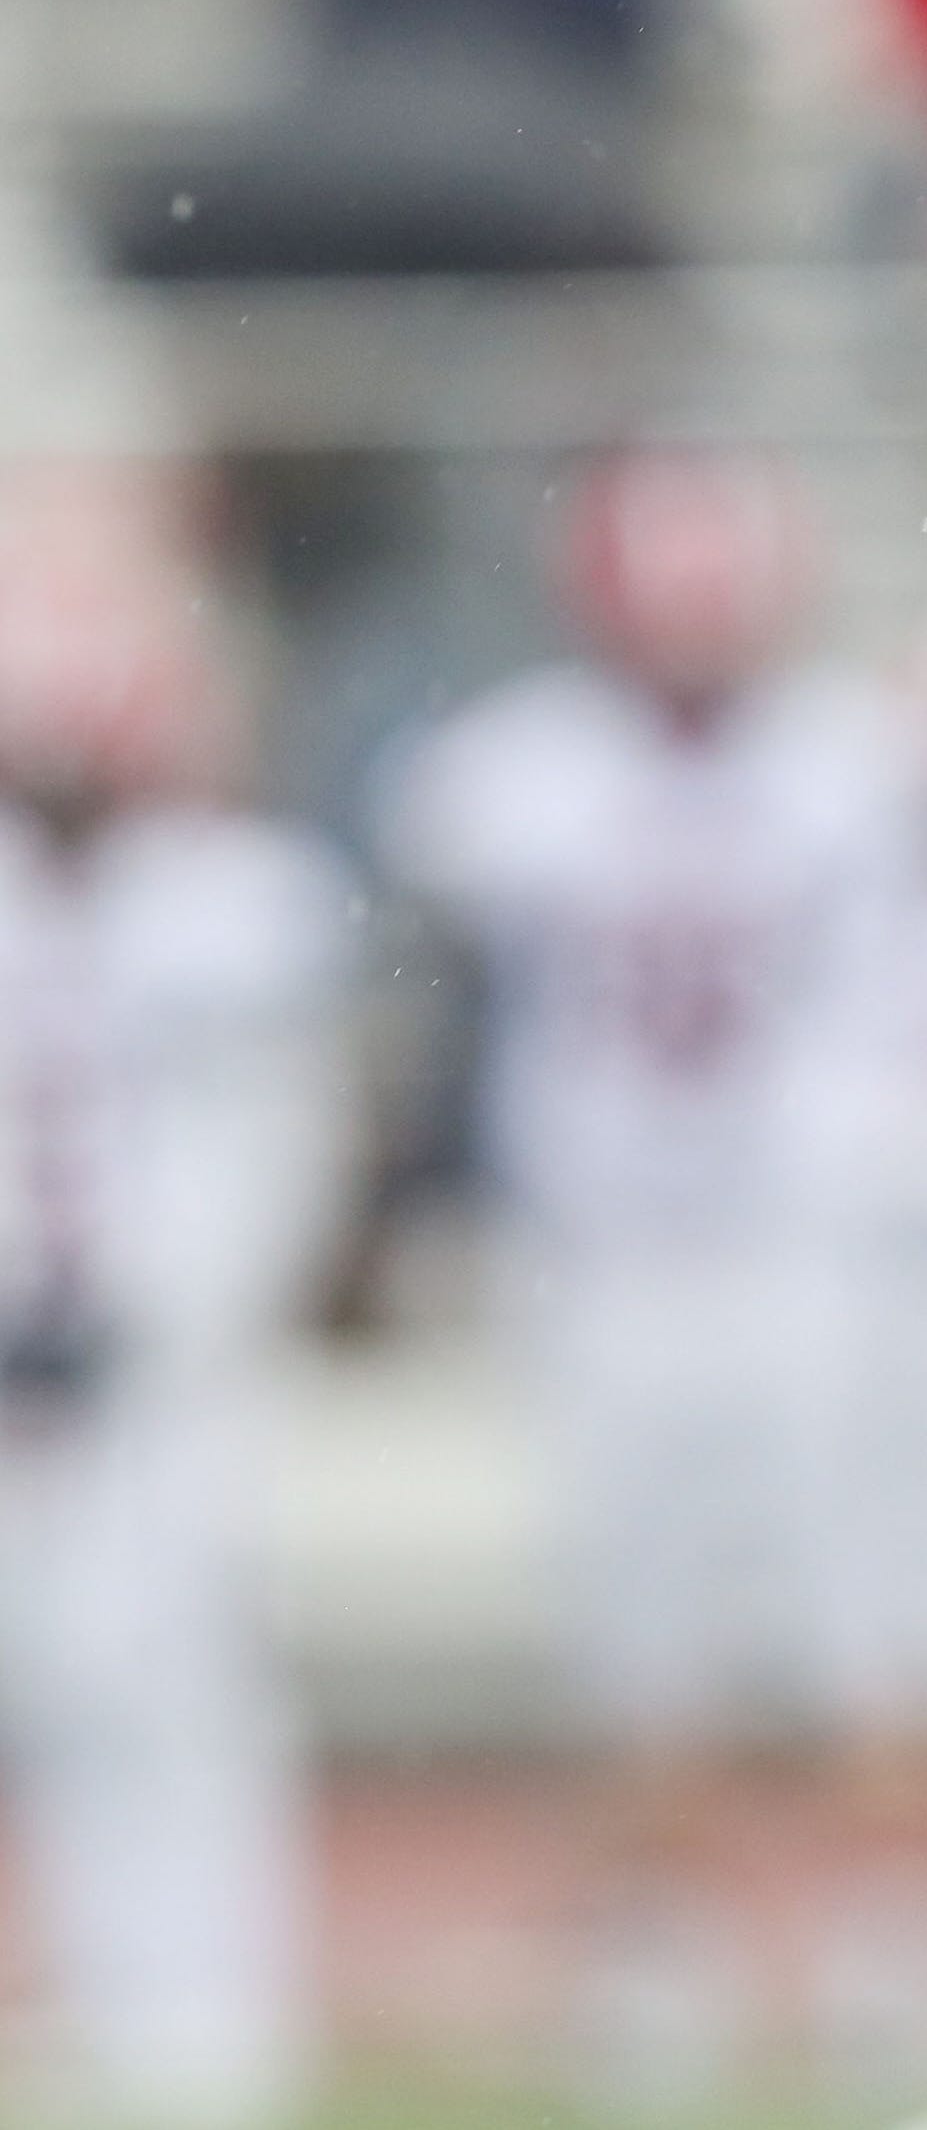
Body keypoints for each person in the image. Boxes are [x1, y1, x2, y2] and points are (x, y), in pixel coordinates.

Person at [373, 443, 927, 2105]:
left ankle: (882, 1954)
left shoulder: (859, 759)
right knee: (637, 1629)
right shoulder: (516, 771)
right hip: (609, 1257)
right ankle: (659, 1964)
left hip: (805, 1246)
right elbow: (445, 1000)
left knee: (863, 1618)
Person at [0, 475, 350, 2129]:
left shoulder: (230, 898)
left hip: (160, 1379)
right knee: (57, 1689)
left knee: (178, 1689)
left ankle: (206, 2040)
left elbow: (279, 1149)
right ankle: (84, 2016)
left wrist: (152, 1306)